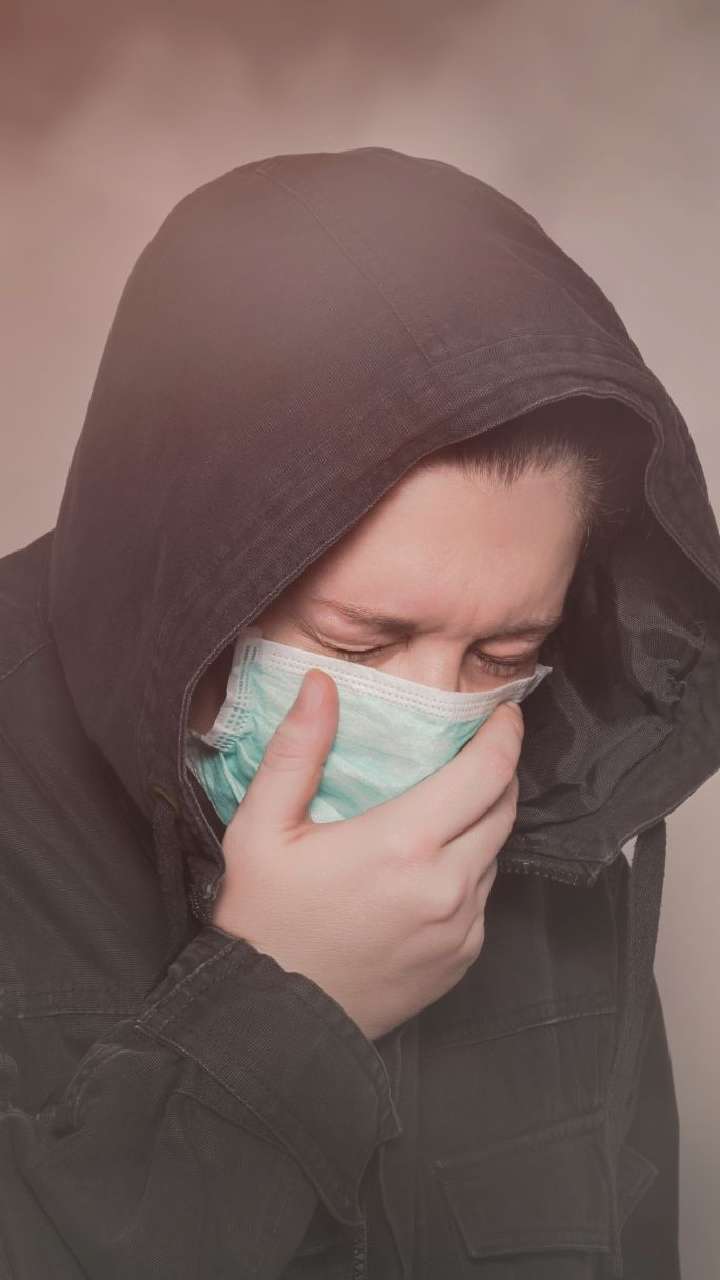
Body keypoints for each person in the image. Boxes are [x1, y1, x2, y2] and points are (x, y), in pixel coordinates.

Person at [1, 146, 718, 1278]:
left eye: (503, 651)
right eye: (361, 643)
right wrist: (285, 1008)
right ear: (181, 570)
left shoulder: (552, 802)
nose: (433, 721)